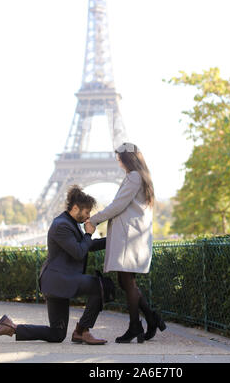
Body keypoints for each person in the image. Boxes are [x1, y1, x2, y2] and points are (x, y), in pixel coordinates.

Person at [0, 186, 115, 346]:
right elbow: (79, 252)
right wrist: (88, 233)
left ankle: (10, 327)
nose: (89, 216)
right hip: (59, 280)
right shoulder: (61, 225)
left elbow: (87, 245)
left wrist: (113, 240)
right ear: (75, 208)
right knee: (102, 286)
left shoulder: (70, 223)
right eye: (87, 212)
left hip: (57, 281)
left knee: (57, 334)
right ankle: (82, 331)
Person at [87, 142, 166, 343]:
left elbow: (118, 205)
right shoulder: (142, 177)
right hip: (134, 236)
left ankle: (135, 326)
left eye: (119, 157)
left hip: (128, 238)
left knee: (127, 282)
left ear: (126, 158)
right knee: (126, 281)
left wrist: (94, 219)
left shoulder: (133, 177)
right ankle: (149, 317)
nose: (117, 161)